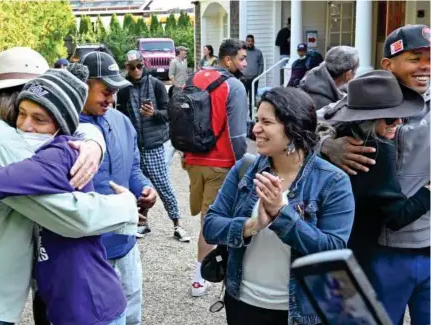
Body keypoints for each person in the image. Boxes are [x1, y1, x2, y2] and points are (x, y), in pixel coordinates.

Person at [0, 47, 138, 325]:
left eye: (39, 116)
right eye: (25, 111)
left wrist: (92, 140)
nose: (27, 124)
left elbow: (70, 130)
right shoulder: (3, 141)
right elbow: (71, 217)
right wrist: (124, 206)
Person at [203, 86, 355, 325]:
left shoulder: (332, 181)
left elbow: (333, 251)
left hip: (302, 311)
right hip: (243, 302)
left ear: (293, 128)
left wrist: (281, 215)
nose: (255, 129)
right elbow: (211, 226)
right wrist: (252, 225)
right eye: (256, 120)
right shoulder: (245, 169)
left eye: (266, 121)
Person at [319, 24, 430, 325]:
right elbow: (309, 122)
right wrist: (327, 145)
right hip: (378, 249)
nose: (426, 66)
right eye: (415, 57)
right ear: (388, 64)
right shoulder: (366, 95)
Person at [79, 50, 160, 325]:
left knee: (131, 316)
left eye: (115, 91)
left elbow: (133, 169)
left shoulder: (121, 121)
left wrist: (145, 189)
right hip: (89, 251)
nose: (111, 99)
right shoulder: (66, 130)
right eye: (105, 91)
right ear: (83, 86)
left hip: (127, 244)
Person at [324, 70, 429, 271]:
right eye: (391, 118)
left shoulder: (340, 135)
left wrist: (325, 143)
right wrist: (428, 191)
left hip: (330, 245)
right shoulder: (376, 151)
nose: (399, 123)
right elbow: (398, 217)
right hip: (355, 255)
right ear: (368, 120)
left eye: (400, 116)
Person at [183, 39, 248, 297]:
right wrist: (245, 167)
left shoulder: (194, 78)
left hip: (192, 161)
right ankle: (200, 275)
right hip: (219, 164)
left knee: (203, 215)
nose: (244, 63)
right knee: (210, 223)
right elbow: (237, 136)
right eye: (242, 58)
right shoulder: (234, 86)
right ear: (228, 60)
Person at [116, 50, 190, 241]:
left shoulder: (156, 84)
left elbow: (169, 112)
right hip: (135, 146)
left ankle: (178, 224)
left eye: (139, 66)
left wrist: (154, 113)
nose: (136, 70)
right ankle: (142, 223)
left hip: (154, 144)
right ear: (127, 68)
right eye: (132, 67)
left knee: (163, 185)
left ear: (144, 65)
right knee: (139, 189)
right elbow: (121, 116)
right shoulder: (123, 89)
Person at [300, 46, 359, 110]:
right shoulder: (325, 107)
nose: (356, 73)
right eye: (356, 70)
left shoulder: (312, 81)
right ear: (348, 74)